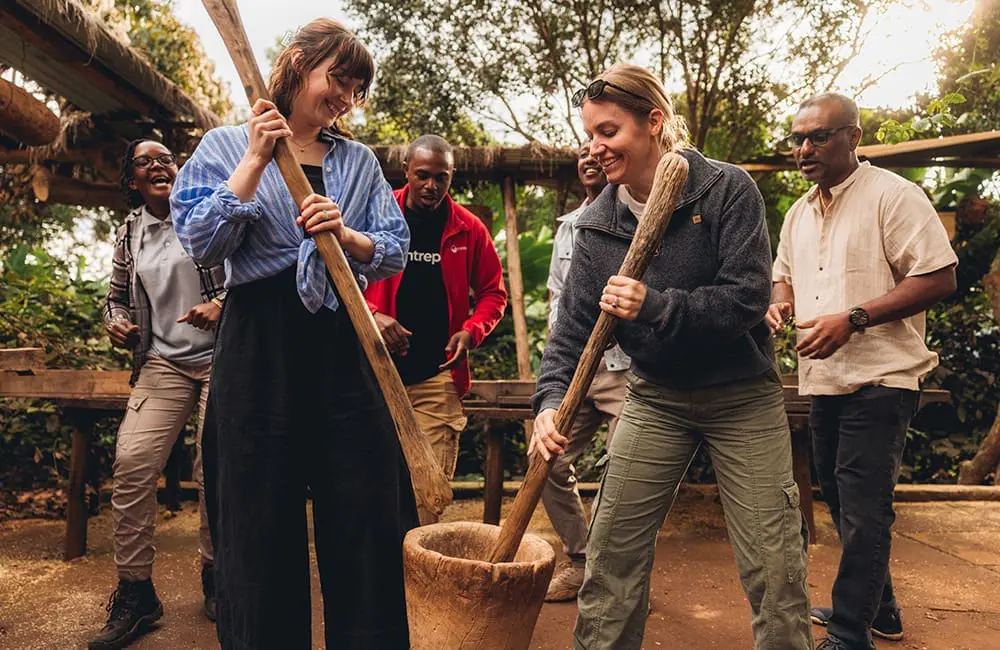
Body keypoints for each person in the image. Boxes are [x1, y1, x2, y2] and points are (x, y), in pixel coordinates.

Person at [530, 63, 813, 649]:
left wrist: (655, 305)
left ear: (654, 122)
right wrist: (550, 403)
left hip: (741, 397)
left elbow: (745, 299)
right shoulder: (597, 225)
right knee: (611, 556)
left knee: (774, 563)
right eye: (590, 135)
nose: (596, 147)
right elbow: (572, 332)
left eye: (609, 132)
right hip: (655, 397)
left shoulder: (726, 188)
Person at [170, 18, 416, 649]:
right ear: (299, 63)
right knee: (257, 514)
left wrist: (347, 235)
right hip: (258, 342)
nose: (346, 97)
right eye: (339, 78)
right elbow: (201, 242)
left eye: (357, 89)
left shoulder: (358, 162)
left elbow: (392, 248)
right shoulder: (226, 144)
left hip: (343, 337)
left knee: (365, 509)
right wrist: (256, 157)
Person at [768, 93, 957, 650]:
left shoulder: (894, 197)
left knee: (865, 505)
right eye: (798, 138)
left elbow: (940, 277)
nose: (805, 149)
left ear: (853, 138)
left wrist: (854, 318)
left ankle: (850, 634)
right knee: (847, 502)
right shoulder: (799, 212)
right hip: (823, 380)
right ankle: (884, 610)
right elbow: (784, 276)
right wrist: (780, 303)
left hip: (883, 378)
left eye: (818, 136)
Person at [92, 138, 224, 650]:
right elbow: (114, 298)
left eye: (166, 158)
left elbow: (250, 272)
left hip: (222, 359)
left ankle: (218, 577)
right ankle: (136, 594)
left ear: (180, 168)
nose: (159, 165)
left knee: (213, 467)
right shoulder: (129, 233)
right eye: (146, 162)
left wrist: (222, 304)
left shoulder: (208, 210)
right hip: (163, 363)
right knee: (132, 461)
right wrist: (117, 324)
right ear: (132, 181)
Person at [365, 134, 507, 479]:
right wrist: (373, 315)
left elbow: (493, 292)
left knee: (428, 485)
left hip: (437, 376)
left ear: (451, 176)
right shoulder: (376, 218)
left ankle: (420, 537)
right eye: (422, 175)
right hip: (372, 371)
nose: (431, 185)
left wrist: (471, 332)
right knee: (373, 483)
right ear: (406, 171)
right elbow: (339, 280)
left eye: (441, 177)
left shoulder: (469, 230)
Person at [541, 143, 629, 603]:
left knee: (627, 471)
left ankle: (619, 578)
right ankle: (580, 561)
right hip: (579, 368)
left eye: (602, 149)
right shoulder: (567, 230)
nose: (591, 158)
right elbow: (558, 295)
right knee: (547, 462)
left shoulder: (636, 215)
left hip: (626, 369)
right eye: (582, 152)